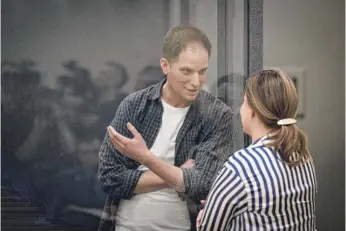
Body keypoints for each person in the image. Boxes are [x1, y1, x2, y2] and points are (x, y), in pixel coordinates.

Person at [98, 25, 233, 231]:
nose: (195, 82)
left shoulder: (216, 114)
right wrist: (178, 175)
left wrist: (146, 158)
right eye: (186, 71)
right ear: (165, 66)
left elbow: (203, 184)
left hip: (181, 226)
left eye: (202, 71)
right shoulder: (135, 105)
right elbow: (109, 178)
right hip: (126, 225)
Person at [196, 69, 317, 230]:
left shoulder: (240, 166)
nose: (239, 109)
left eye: (243, 102)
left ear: (252, 111)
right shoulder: (303, 157)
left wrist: (207, 214)